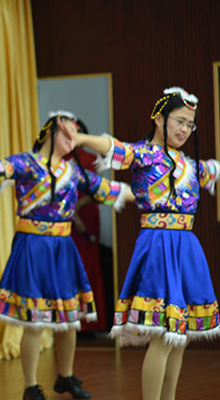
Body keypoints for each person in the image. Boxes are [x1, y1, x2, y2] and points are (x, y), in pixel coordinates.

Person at [71, 87, 220, 400]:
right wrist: (82, 138)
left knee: (180, 334)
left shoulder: (190, 164)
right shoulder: (145, 154)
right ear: (159, 119)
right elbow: (116, 148)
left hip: (186, 248)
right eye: (178, 121)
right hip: (159, 246)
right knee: (164, 335)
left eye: (189, 124)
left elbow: (213, 170)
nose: (184, 129)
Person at [0, 111, 133, 400]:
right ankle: (30, 385)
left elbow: (107, 189)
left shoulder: (73, 171)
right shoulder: (26, 163)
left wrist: (149, 195)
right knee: (35, 320)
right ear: (52, 132)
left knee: (69, 317)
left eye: (76, 134)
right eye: (68, 132)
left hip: (63, 247)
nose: (73, 139)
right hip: (33, 246)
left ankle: (66, 375)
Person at [65, 119, 108, 333]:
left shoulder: (91, 158)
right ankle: (69, 321)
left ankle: (92, 323)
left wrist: (78, 207)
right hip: (65, 217)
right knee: (67, 266)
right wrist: (71, 212)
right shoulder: (60, 161)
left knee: (89, 264)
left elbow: (100, 190)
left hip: (87, 214)